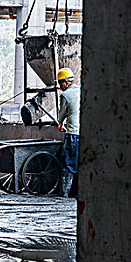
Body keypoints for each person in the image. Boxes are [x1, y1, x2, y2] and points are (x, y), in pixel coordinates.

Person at [56, 68, 80, 198]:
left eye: (61, 84)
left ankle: (64, 194)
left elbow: (62, 114)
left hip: (72, 134)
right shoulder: (81, 90)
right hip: (82, 133)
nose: (60, 87)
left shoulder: (65, 95)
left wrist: (59, 124)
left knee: (68, 164)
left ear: (65, 82)